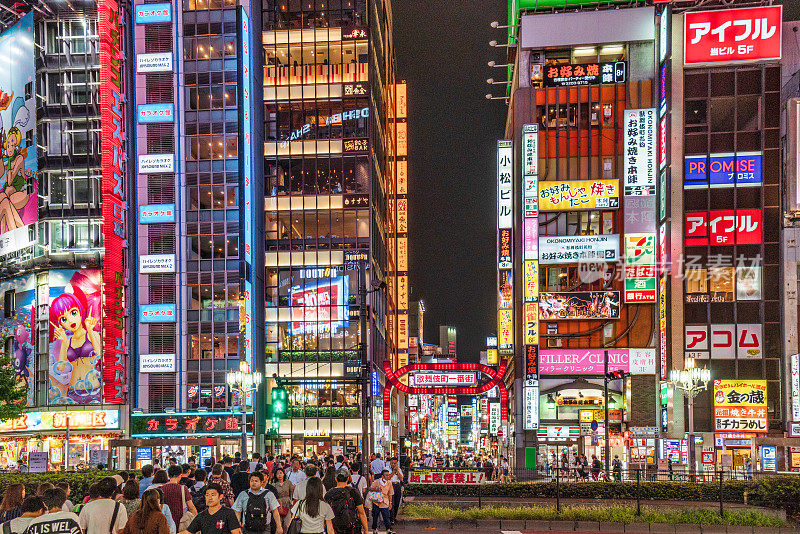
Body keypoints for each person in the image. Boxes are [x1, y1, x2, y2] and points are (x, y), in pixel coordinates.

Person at [324, 468, 368, 534]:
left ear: (336, 479)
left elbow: (325, 514)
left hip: (334, 528)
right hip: (351, 528)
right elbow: (361, 512)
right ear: (348, 478)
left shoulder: (329, 494)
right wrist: (366, 529)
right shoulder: (353, 492)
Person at [162, 465, 198, 529]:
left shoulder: (161, 489)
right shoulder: (183, 489)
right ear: (180, 475)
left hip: (166, 522)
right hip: (181, 522)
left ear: (168, 475)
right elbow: (191, 507)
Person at [271, 469, 293, 533]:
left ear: (284, 474)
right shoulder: (274, 484)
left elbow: (291, 492)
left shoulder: (288, 482)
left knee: (286, 524)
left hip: (287, 504)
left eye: (281, 473)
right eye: (278, 473)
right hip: (277, 505)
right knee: (278, 524)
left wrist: (291, 501)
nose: (279, 475)